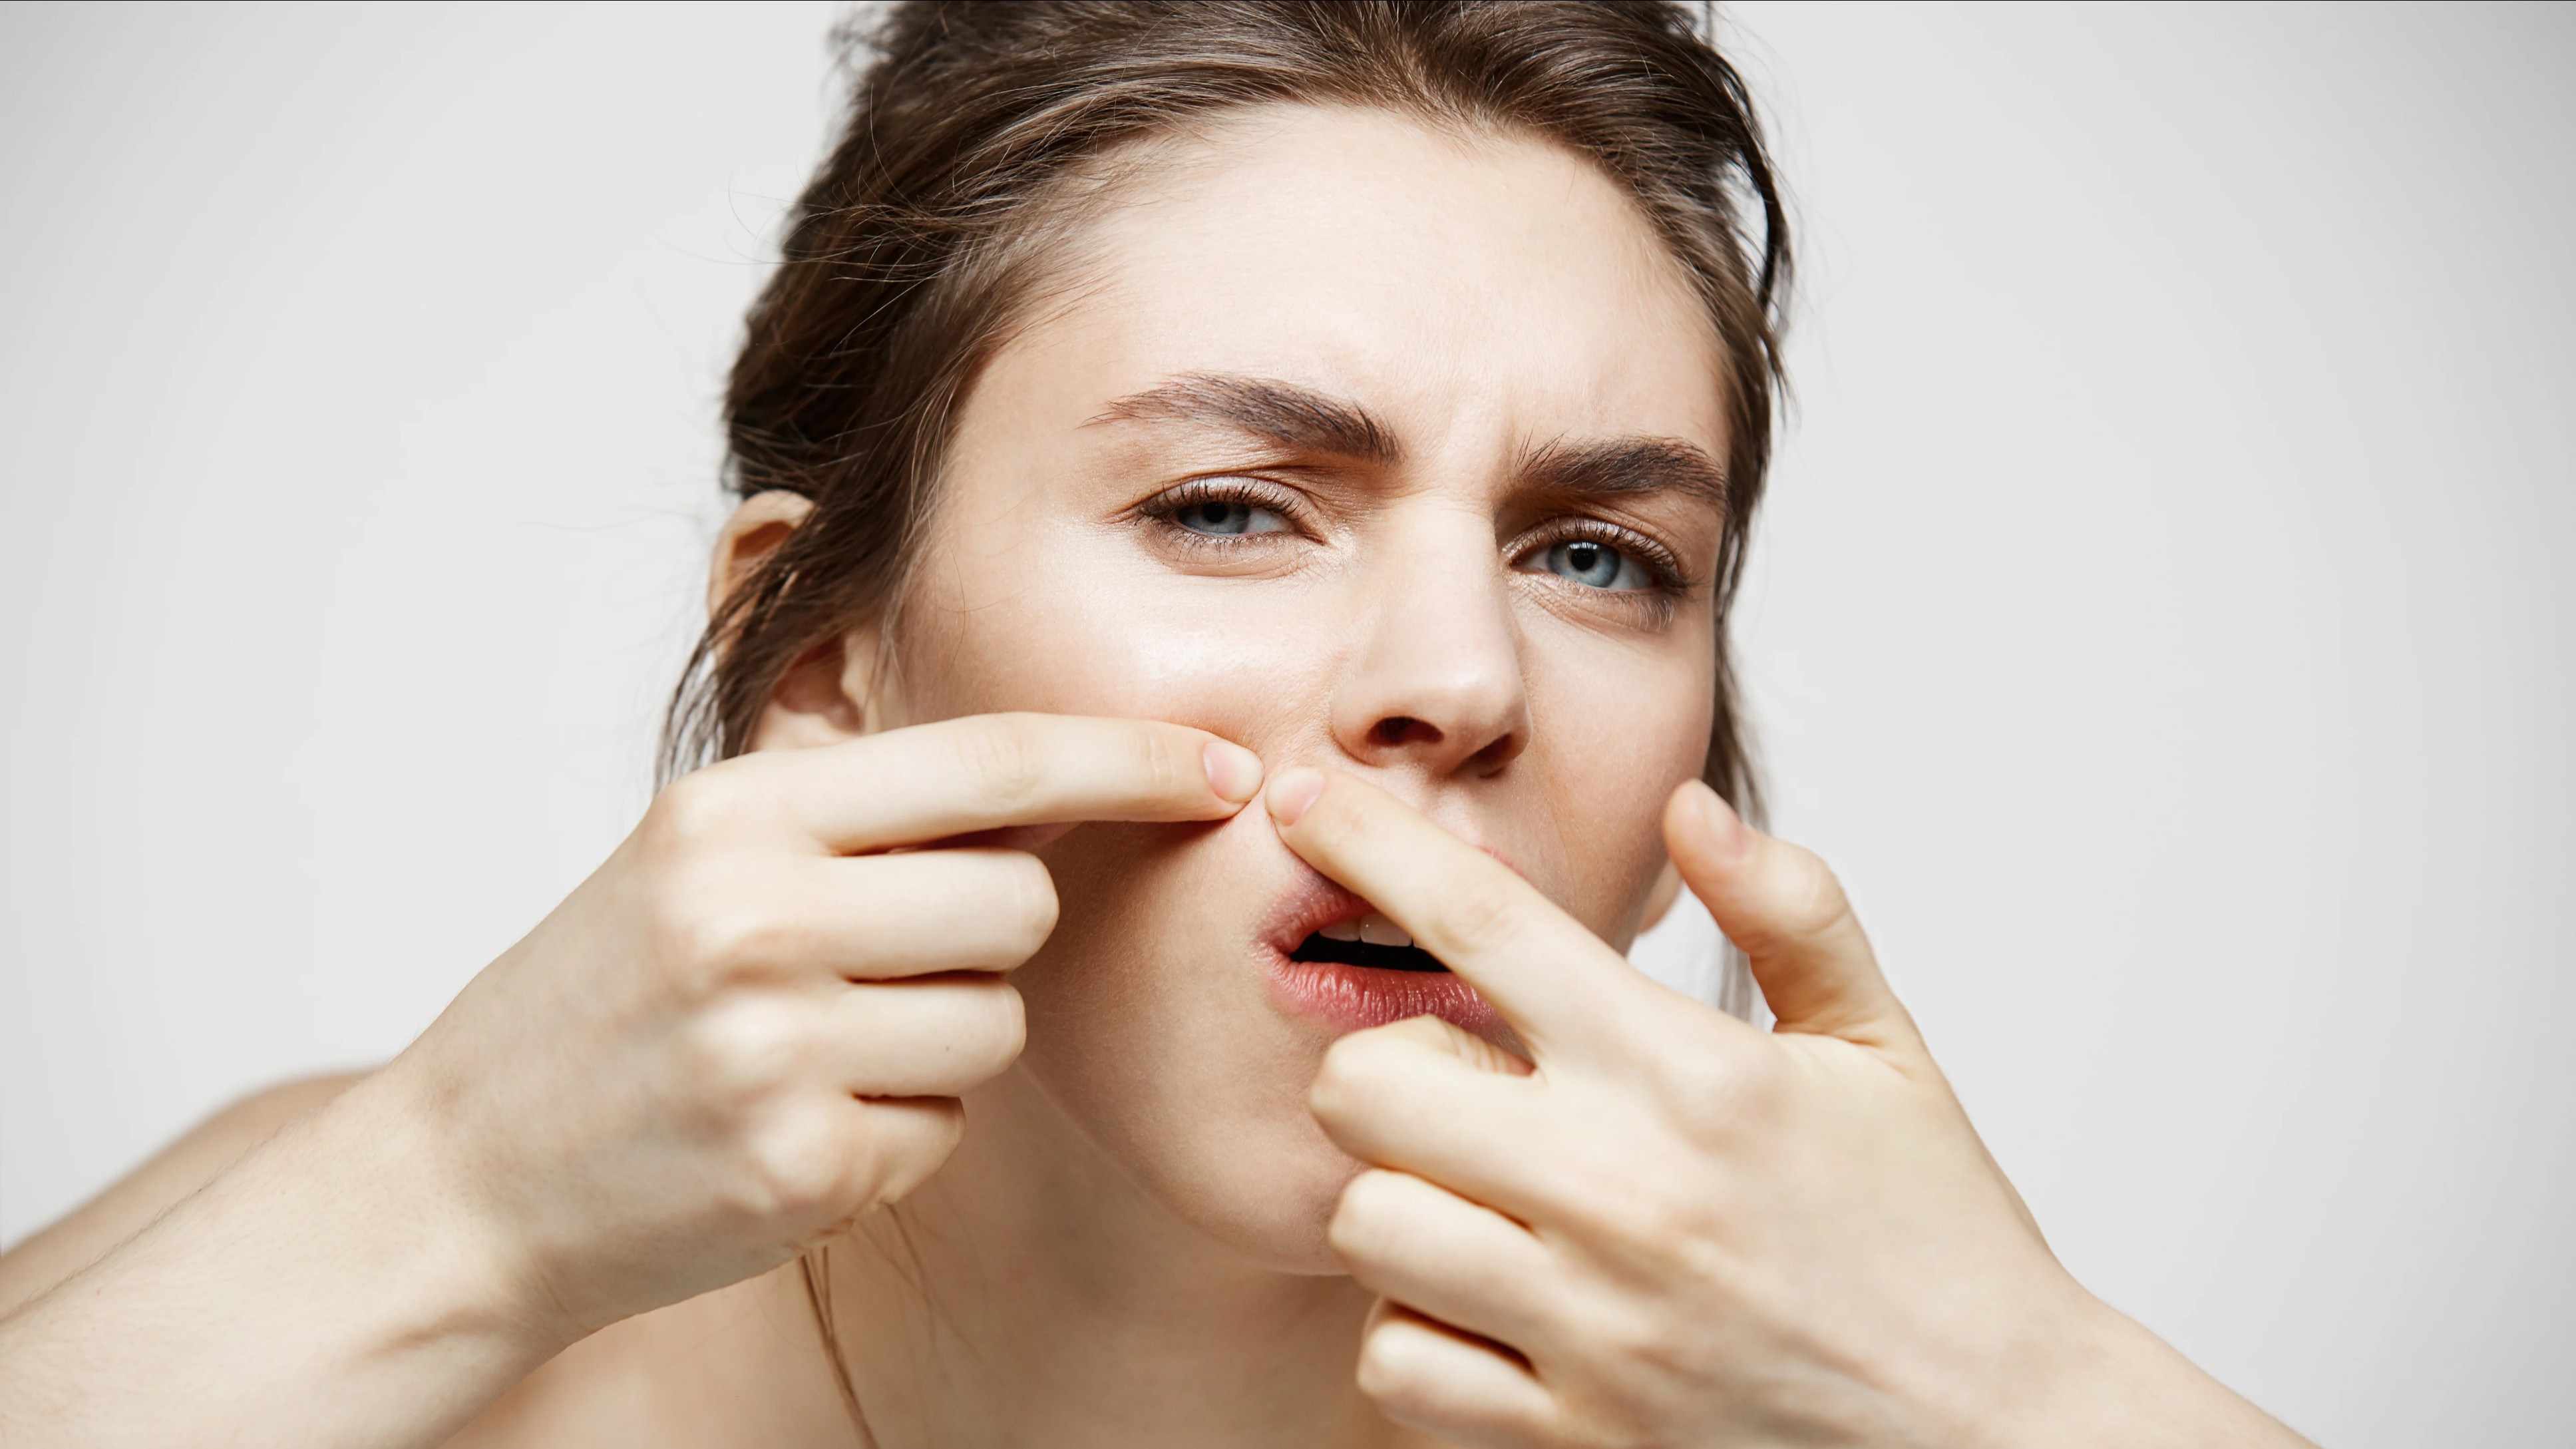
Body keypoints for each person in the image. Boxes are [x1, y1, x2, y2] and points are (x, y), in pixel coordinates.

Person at [0, 4, 2316, 1445]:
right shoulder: (322, 1270)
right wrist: (442, 1204)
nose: (1465, 680)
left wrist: (2026, 1402)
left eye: (1598, 553)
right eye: (1232, 506)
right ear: (824, 672)